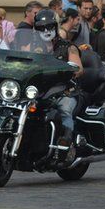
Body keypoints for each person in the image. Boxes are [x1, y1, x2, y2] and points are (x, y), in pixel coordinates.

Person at [22, 9, 82, 145]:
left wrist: (70, 69)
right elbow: (21, 62)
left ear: (55, 27)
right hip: (38, 91)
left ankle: (65, 140)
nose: (46, 31)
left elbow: (78, 68)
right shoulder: (30, 47)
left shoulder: (68, 47)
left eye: (49, 27)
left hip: (64, 91)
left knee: (65, 110)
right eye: (42, 28)